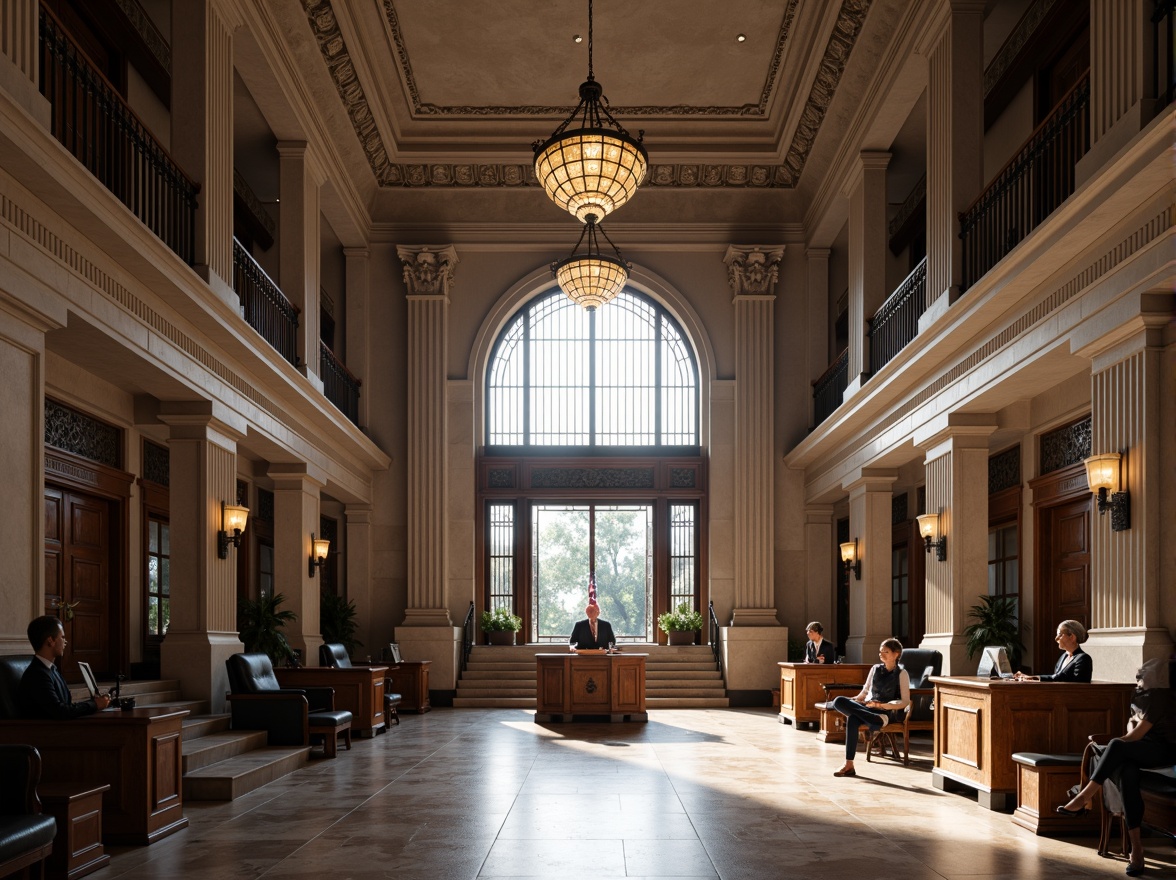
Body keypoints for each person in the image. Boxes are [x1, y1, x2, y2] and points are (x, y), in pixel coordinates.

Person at [1055, 658, 1176, 877]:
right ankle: (1136, 850)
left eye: (1146, 671)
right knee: (1127, 772)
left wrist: (1112, 747)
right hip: (1143, 750)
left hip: (1164, 753)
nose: (1140, 674)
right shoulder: (1142, 696)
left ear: (1160, 676)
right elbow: (1132, 727)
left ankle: (1084, 795)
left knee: (1115, 746)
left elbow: (1134, 735)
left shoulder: (1161, 697)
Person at [831, 638, 910, 778]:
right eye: (880, 651)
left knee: (853, 719)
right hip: (867, 709)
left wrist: (881, 705)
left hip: (884, 713)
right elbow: (864, 693)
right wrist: (853, 701)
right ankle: (849, 764)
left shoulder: (902, 674)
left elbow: (904, 702)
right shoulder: (875, 669)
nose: (881, 654)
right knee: (839, 701)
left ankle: (849, 764)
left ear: (896, 654)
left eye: (885, 651)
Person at [19, 615, 111, 718]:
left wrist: (95, 703)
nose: (65, 642)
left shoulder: (51, 669)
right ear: (50, 641)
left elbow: (67, 706)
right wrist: (95, 705)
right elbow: (61, 711)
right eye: (62, 637)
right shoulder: (37, 675)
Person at [1013, 619, 1093, 682]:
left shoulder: (1083, 659)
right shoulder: (1063, 657)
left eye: (1060, 634)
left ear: (1072, 637)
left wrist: (1031, 678)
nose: (1056, 638)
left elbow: (1066, 680)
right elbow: (1056, 678)